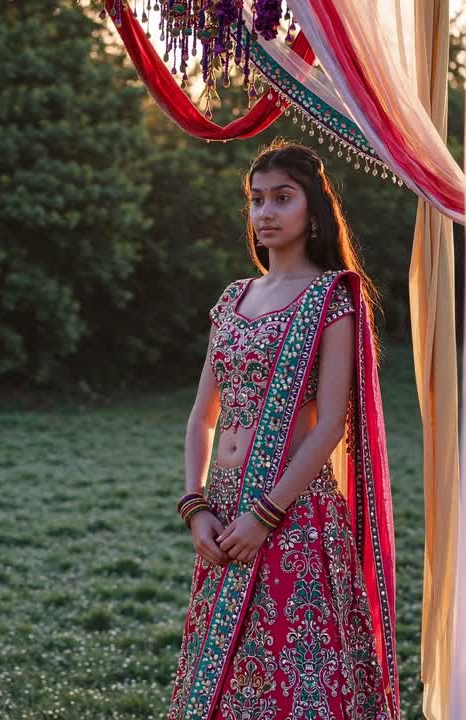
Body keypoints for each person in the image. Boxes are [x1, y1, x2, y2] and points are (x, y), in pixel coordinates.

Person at [166, 140, 399, 720]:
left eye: (282, 199)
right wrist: (195, 506)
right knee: (228, 676)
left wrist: (265, 513)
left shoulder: (333, 298)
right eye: (256, 200)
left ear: (313, 210)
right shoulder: (234, 298)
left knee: (298, 674)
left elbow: (330, 427)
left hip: (293, 515)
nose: (265, 212)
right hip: (222, 514)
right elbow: (202, 414)